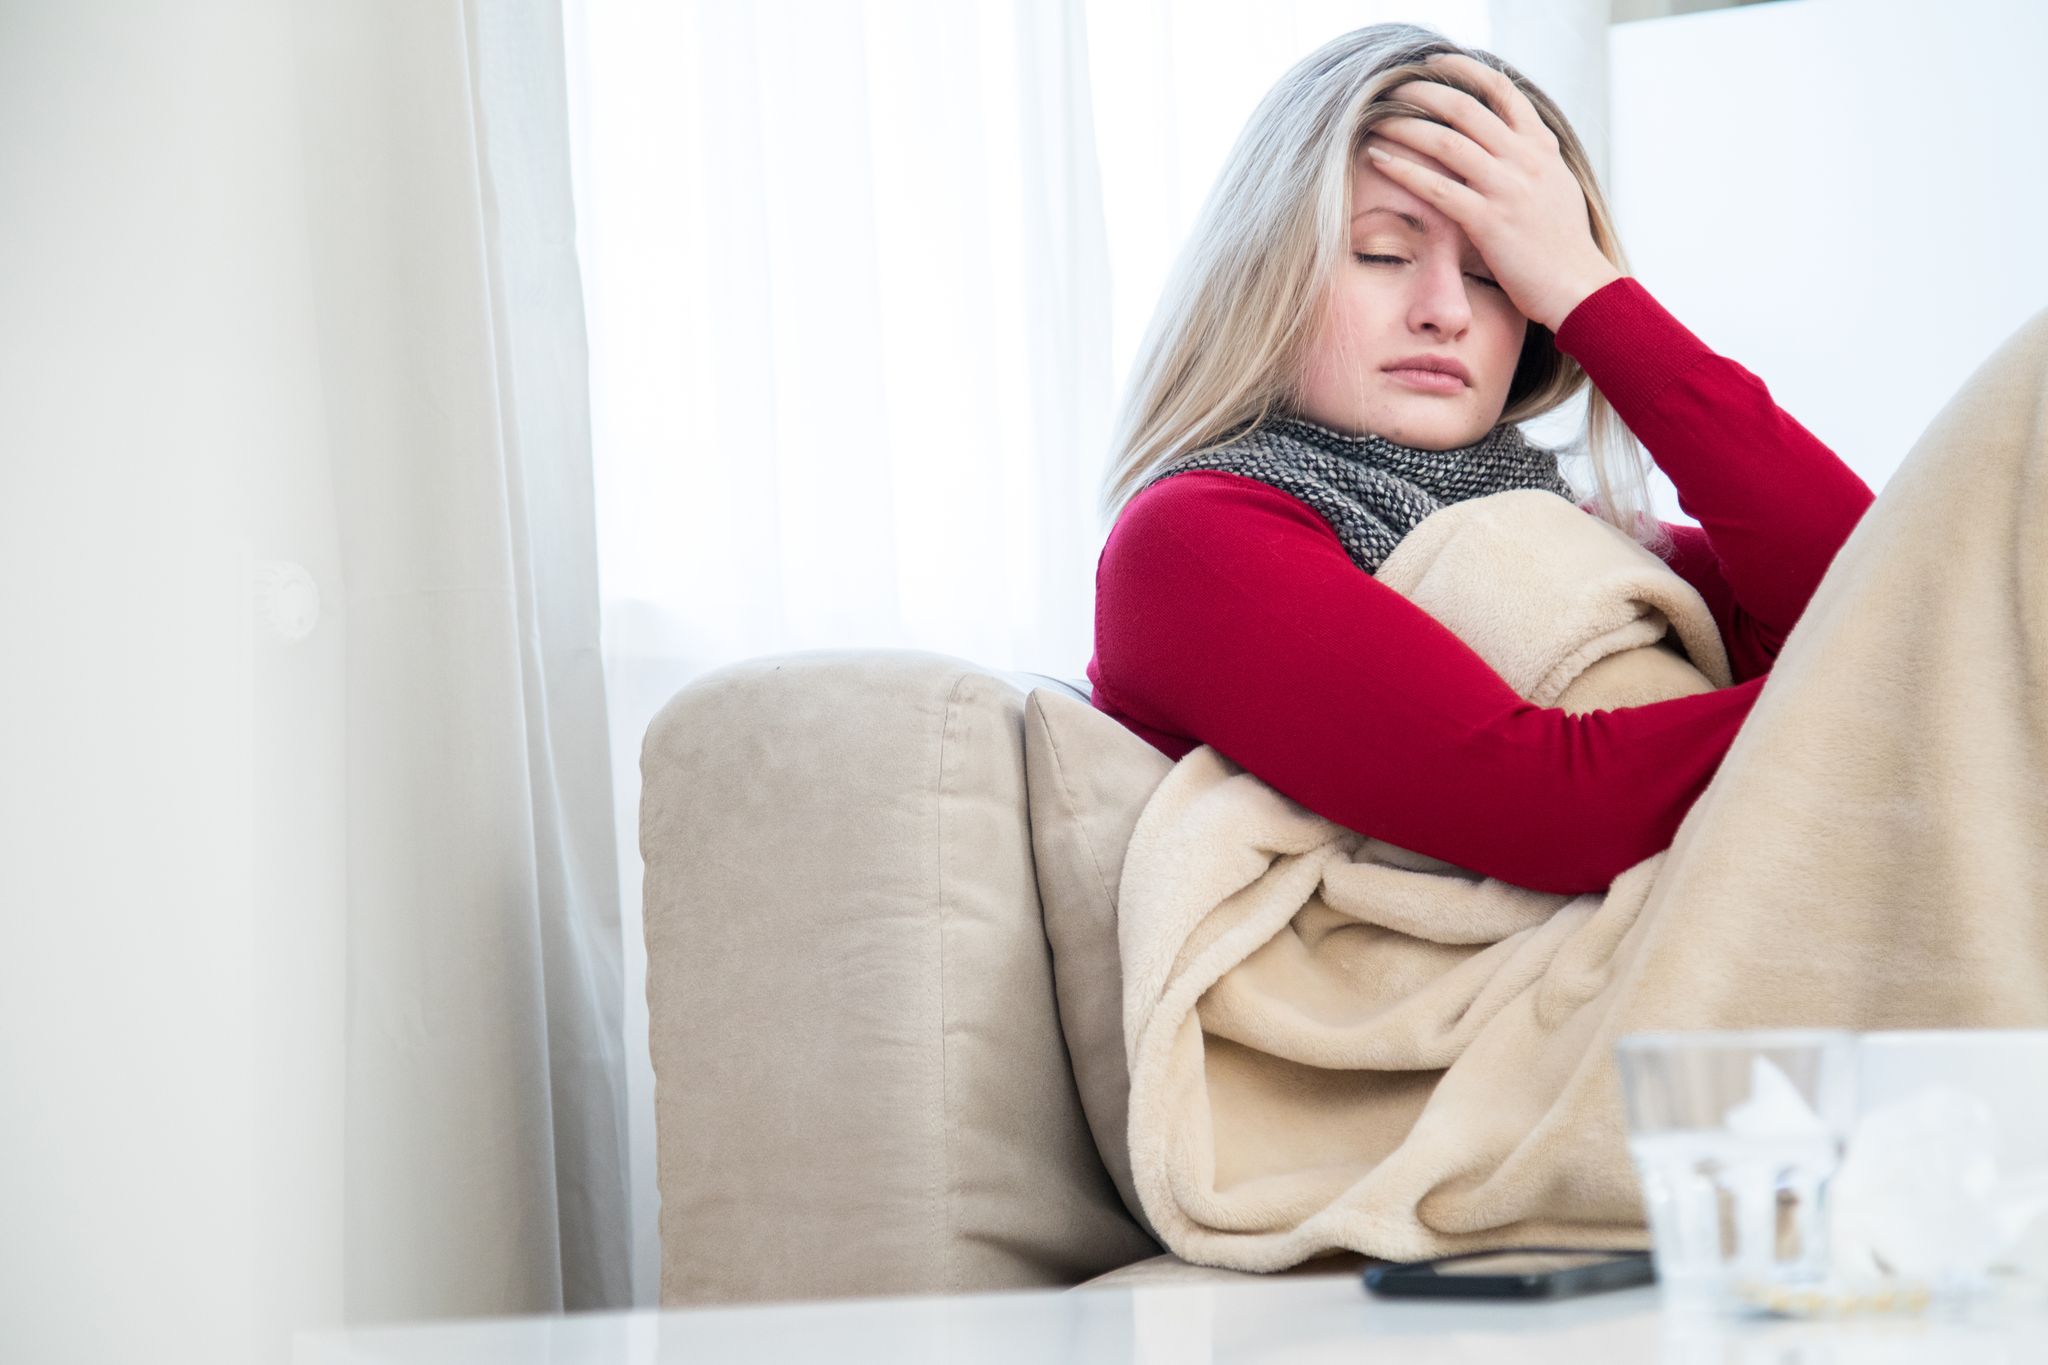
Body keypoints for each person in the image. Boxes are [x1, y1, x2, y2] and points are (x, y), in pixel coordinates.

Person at [1085, 26, 1875, 897]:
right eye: (1384, 252)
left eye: (1497, 272)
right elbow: (1552, 803)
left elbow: (1866, 592)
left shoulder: (1567, 534)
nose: (1446, 311)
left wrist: (1589, 290)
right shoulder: (1190, 541)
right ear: (1267, 272)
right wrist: (1882, 701)